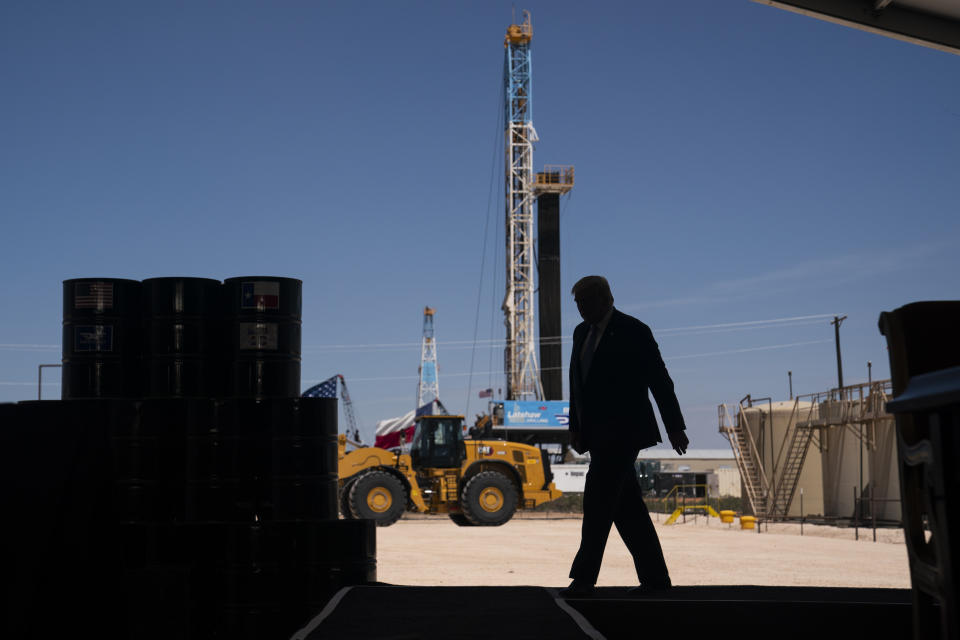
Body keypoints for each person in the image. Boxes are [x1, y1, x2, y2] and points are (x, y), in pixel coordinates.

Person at [561, 275, 689, 597]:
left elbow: (660, 381)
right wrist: (575, 426)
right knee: (627, 510)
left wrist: (675, 426)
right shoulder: (580, 334)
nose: (579, 309)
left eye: (584, 302)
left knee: (598, 500)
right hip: (596, 433)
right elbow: (578, 384)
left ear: (605, 299)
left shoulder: (634, 331)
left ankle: (584, 579)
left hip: (624, 432)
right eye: (576, 304)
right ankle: (656, 580)